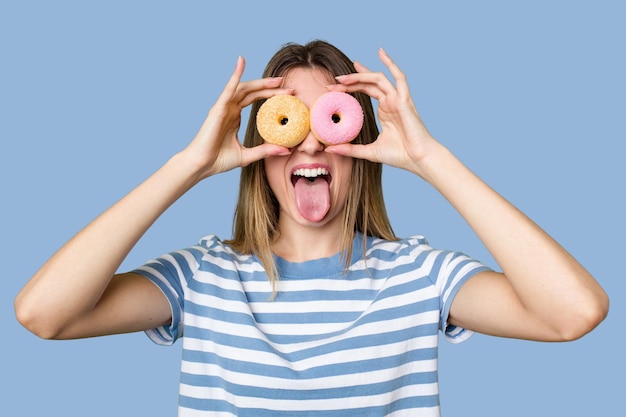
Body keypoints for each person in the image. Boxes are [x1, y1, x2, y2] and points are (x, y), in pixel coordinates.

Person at [15, 40, 609, 416]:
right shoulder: (201, 278)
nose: (312, 141)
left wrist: (432, 159)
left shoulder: (420, 276)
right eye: (288, 121)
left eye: (333, 120)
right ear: (259, 145)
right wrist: (187, 166)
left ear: (364, 143)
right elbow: (45, 314)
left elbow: (573, 313)